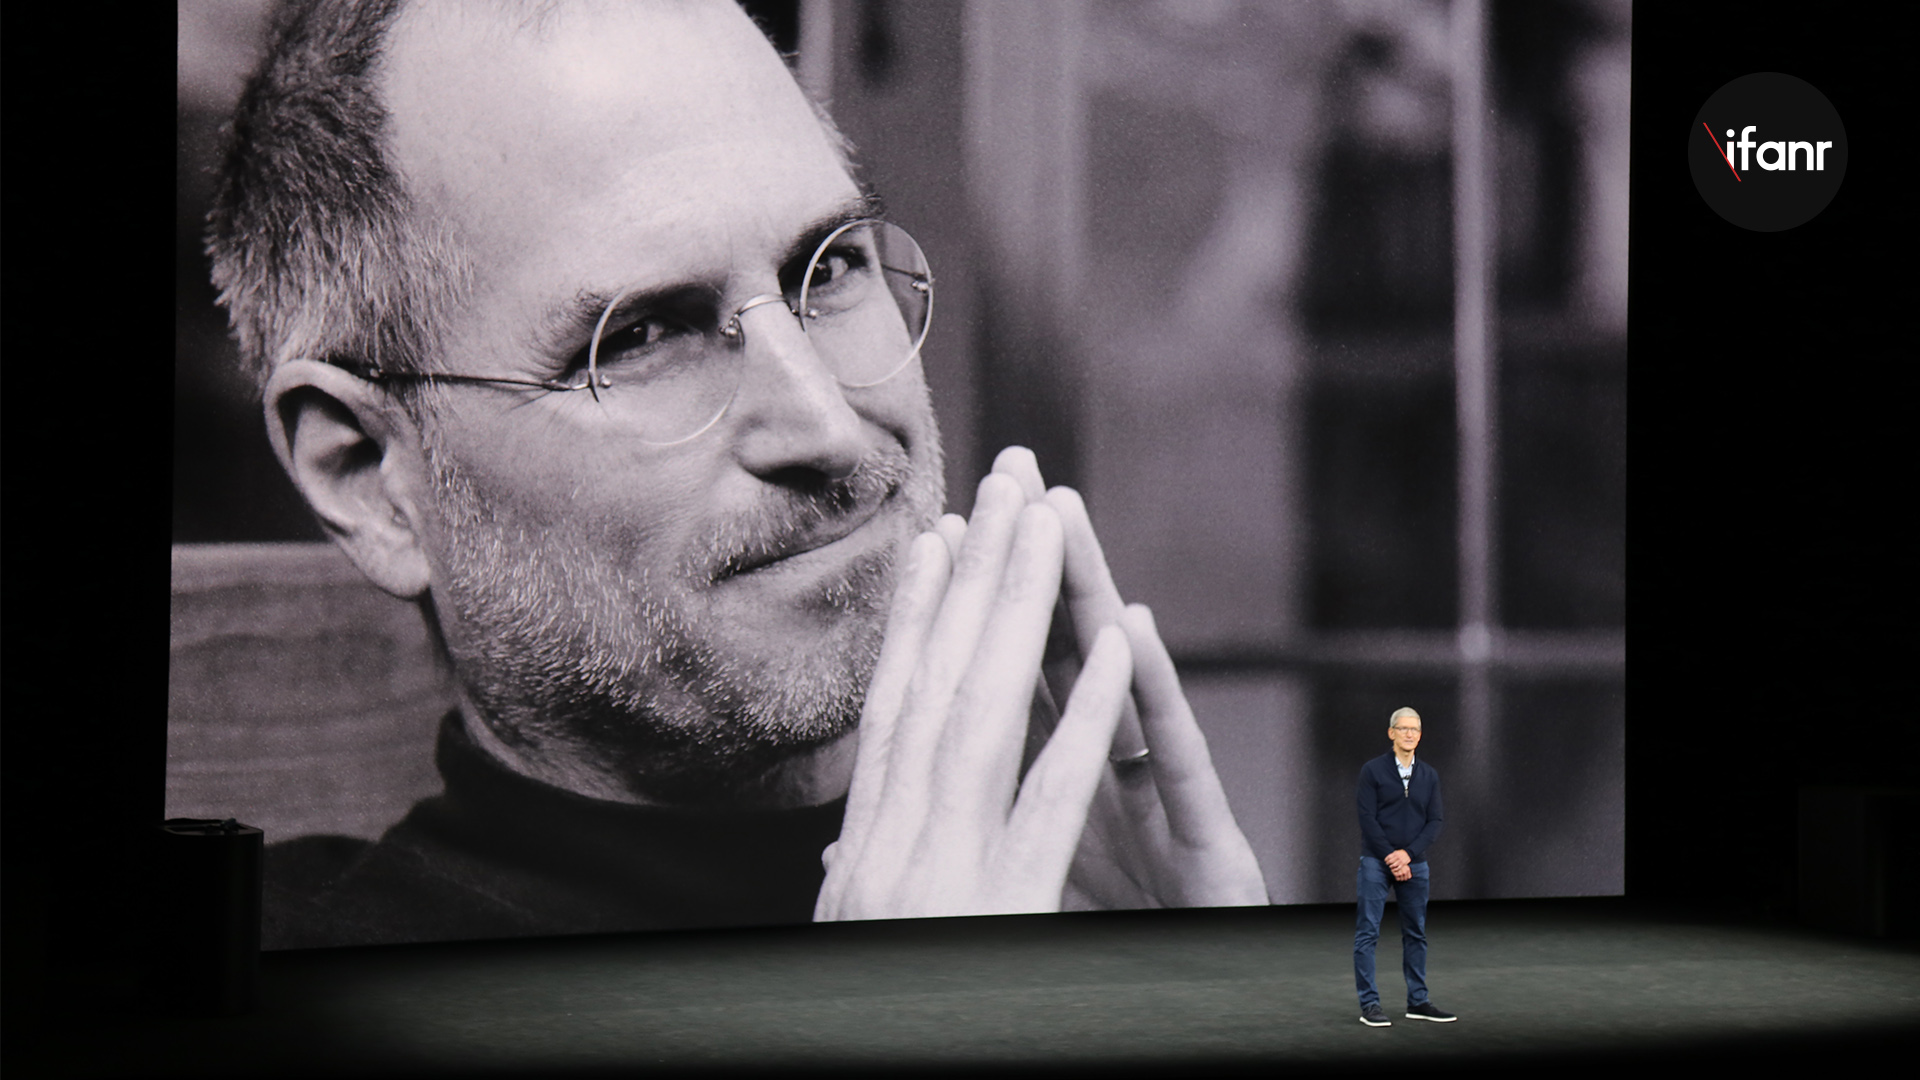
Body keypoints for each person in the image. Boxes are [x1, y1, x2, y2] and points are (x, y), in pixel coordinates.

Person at [205, 0, 1268, 948]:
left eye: (832, 266)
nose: (829, 429)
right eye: (642, 336)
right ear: (369, 474)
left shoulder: (1124, 902)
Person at [1353, 707, 1455, 1026]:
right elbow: (1367, 819)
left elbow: (1435, 820)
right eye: (1403, 728)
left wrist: (1408, 855)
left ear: (1420, 735)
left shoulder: (1429, 776)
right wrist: (1391, 857)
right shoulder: (1372, 771)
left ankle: (1418, 1001)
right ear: (1391, 733)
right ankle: (1370, 1005)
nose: (1409, 733)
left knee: (1416, 933)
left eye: (1415, 729)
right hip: (1376, 862)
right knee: (1367, 933)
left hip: (1415, 865)